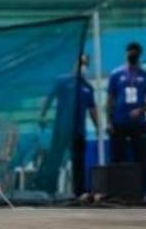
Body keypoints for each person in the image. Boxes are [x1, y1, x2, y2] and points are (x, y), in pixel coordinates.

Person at [38, 53, 99, 197]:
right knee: (55, 159)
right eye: (81, 64)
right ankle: (49, 190)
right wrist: (42, 115)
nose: (83, 67)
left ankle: (79, 193)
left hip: (78, 131)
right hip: (61, 129)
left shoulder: (88, 88)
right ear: (75, 64)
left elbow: (92, 110)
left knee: (78, 162)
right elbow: (48, 99)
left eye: (86, 65)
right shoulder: (62, 81)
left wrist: (98, 127)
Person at [107, 42, 146, 179]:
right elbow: (110, 99)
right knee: (117, 156)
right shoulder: (116, 74)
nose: (132, 55)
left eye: (135, 52)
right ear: (126, 53)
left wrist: (141, 110)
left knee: (141, 156)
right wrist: (109, 122)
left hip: (138, 122)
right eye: (130, 52)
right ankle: (117, 190)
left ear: (139, 55)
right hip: (119, 121)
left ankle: (141, 190)